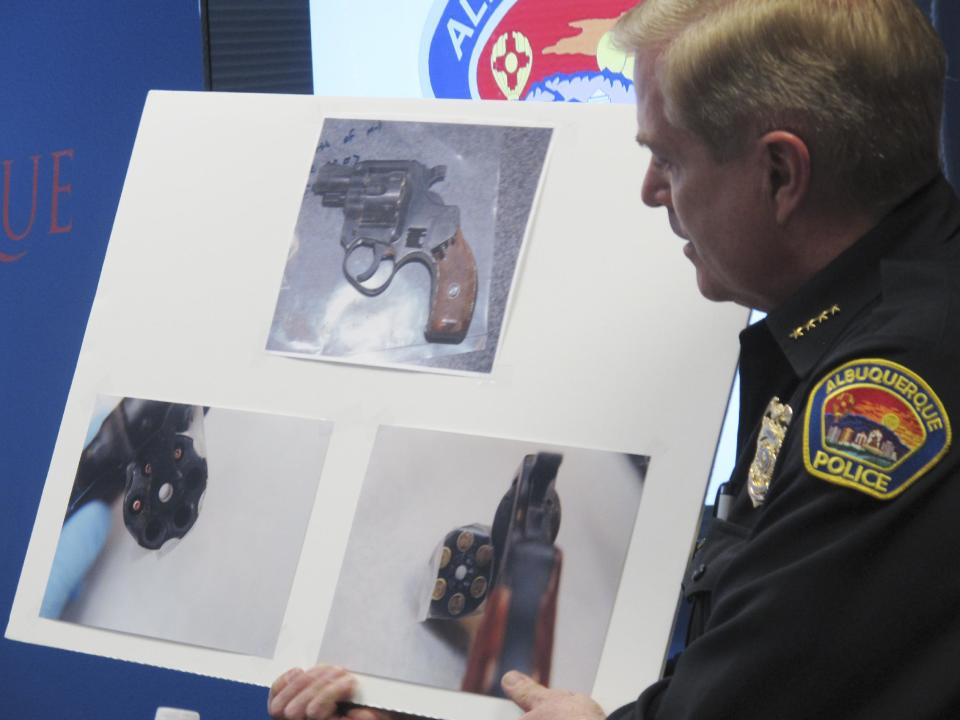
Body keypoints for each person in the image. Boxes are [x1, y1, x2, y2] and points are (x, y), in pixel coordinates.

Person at [268, 0, 960, 717]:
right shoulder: (887, 313)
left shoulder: (884, 401)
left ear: (781, 174)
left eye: (668, 158)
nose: (650, 190)